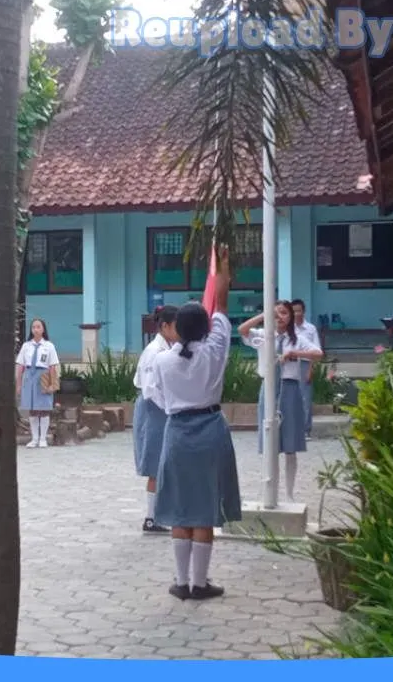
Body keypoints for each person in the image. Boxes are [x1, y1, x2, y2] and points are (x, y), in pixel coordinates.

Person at [151, 247, 241, 601]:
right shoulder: (215, 348)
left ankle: (180, 582)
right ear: (204, 327)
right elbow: (221, 301)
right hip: (210, 430)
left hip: (176, 432)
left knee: (178, 507)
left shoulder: (161, 361)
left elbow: (157, 397)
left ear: (176, 329)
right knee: (203, 509)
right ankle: (200, 583)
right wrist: (222, 257)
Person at [239, 300, 323, 504]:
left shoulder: (297, 339)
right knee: (270, 444)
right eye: (276, 314)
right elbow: (242, 329)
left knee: (291, 445)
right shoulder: (263, 336)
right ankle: (271, 489)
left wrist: (295, 354)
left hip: (289, 389)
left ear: (291, 316)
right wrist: (264, 315)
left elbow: (318, 354)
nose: (280, 317)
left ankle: (290, 493)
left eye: (284, 313)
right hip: (268, 389)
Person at [132, 305, 179, 534]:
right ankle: (151, 518)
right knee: (154, 465)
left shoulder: (169, 346)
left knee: (164, 463)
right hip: (154, 409)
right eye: (176, 325)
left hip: (162, 409)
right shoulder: (154, 351)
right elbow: (151, 390)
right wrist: (171, 408)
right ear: (165, 326)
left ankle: (159, 514)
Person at [15, 318, 60, 449]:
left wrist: (52, 383)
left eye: (38, 327)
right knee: (32, 408)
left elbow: (52, 366)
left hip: (43, 375)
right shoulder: (26, 346)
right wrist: (18, 384)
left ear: (43, 329)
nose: (36, 329)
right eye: (33, 327)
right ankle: (34, 438)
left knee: (44, 408)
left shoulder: (49, 346)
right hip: (29, 376)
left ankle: (43, 438)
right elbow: (20, 366)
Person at [290, 299, 321, 441]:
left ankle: (305, 430)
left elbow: (316, 351)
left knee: (305, 399)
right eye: (294, 311)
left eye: (299, 310)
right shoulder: (288, 328)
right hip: (289, 365)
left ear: (304, 311)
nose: (296, 314)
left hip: (304, 365)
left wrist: (310, 370)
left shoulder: (310, 329)